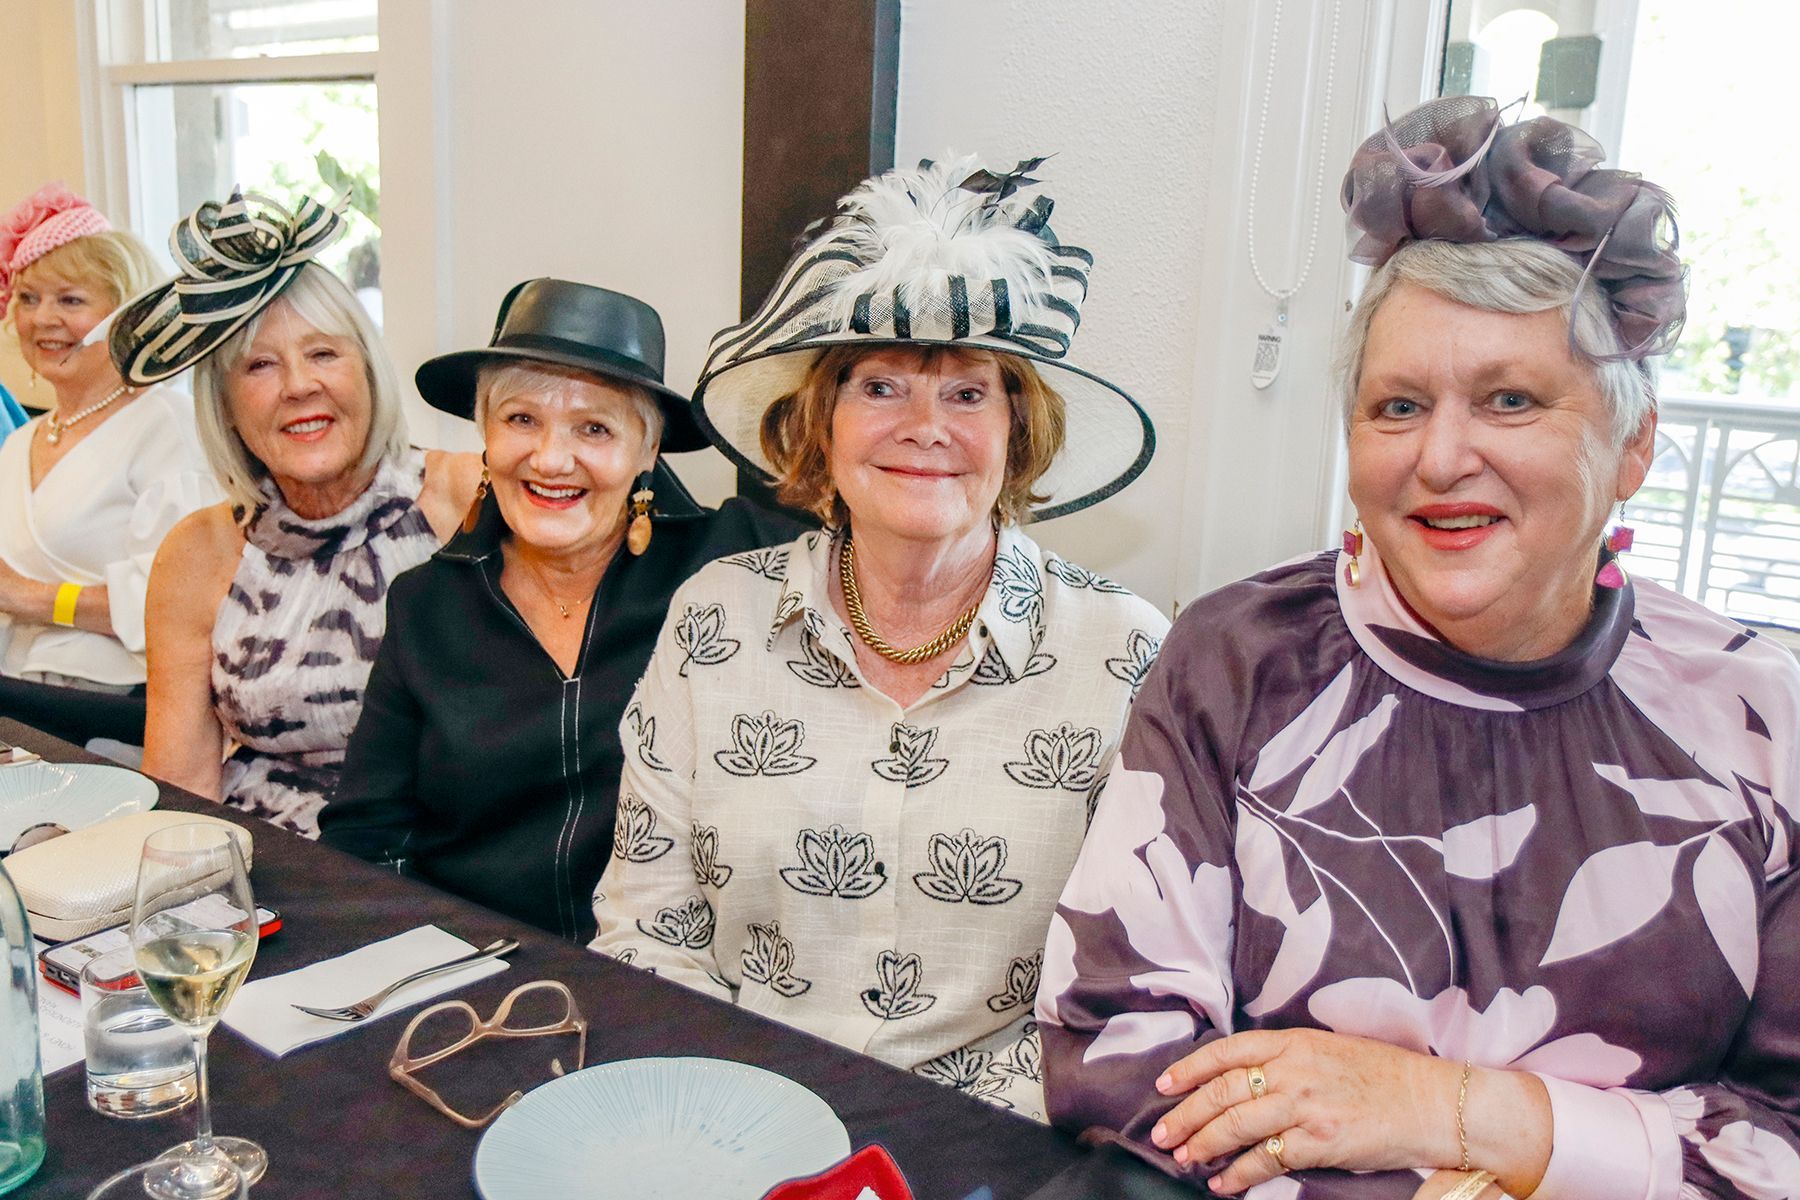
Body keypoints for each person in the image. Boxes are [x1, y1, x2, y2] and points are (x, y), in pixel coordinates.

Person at [1037, 96, 1799, 1199]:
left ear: (1632, 447)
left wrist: (1465, 1113)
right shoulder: (1239, 661)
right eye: (1396, 406)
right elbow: (1116, 1051)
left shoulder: (1759, 714)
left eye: (1509, 399)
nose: (1441, 458)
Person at [592, 156, 1169, 1122]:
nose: (925, 426)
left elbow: (1131, 983)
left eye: (969, 393)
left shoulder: (1127, 651)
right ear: (820, 425)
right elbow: (649, 922)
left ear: (1019, 429)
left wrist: (944, 1147)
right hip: (735, 1110)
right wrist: (747, 1117)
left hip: (1004, 1140)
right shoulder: (715, 618)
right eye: (881, 386)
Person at [319, 279, 807, 943]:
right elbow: (363, 833)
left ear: (648, 450)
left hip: (671, 977)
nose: (551, 458)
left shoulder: (735, 561)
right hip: (472, 971)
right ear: (485, 435)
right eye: (521, 420)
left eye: (595, 428)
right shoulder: (426, 605)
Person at [128, 189, 481, 837]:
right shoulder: (197, 552)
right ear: (225, 405)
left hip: (443, 870)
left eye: (323, 353)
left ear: (368, 370)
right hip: (264, 870)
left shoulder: (467, 500)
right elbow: (181, 793)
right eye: (260, 365)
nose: (298, 385)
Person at [0, 183, 218, 698]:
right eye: (28, 299)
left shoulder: (165, 426)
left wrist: (28, 597)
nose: (42, 319)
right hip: (16, 694)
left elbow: (186, 602)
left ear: (127, 315)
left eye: (70, 300)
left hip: (117, 709)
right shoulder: (20, 442)